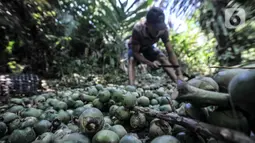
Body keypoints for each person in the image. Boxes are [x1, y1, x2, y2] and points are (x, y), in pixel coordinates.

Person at [127, 7, 184, 85]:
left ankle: (180, 84)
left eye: (160, 27)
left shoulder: (163, 31)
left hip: (147, 47)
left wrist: (179, 73)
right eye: (155, 28)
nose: (158, 31)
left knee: (162, 58)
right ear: (147, 24)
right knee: (132, 59)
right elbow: (136, 53)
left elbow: (170, 52)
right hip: (135, 47)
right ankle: (131, 85)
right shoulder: (138, 29)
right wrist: (150, 63)